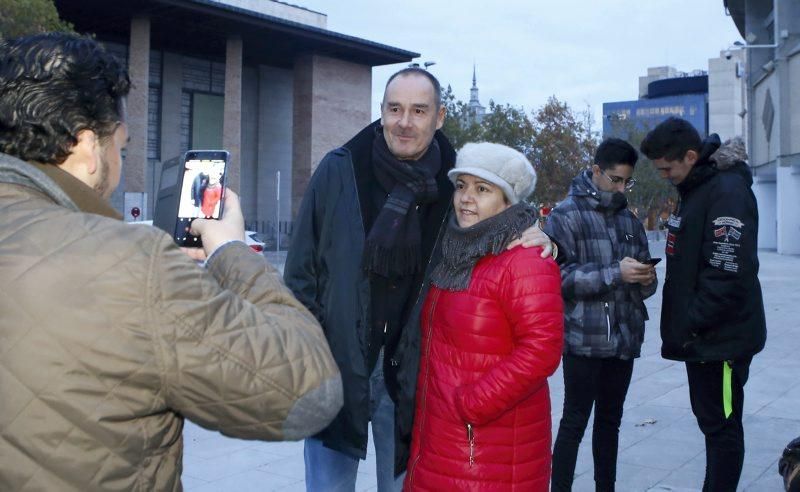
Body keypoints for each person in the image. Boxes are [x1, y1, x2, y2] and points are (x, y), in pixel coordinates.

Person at [0, 33, 342, 491]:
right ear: (86, 149)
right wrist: (229, 250)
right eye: (120, 146)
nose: (120, 163)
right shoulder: (129, 263)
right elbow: (309, 390)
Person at [284, 68, 554, 491]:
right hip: (336, 371)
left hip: (409, 379)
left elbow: (501, 225)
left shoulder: (456, 182)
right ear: (382, 111)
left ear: (440, 116)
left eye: (418, 110)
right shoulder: (340, 170)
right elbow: (300, 272)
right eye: (395, 109)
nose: (405, 121)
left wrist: (544, 237)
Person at [403, 142, 563, 491]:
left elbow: (542, 349)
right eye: (461, 186)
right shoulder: (454, 250)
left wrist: (472, 404)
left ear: (508, 200)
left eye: (482, 189)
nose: (466, 198)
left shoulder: (525, 259)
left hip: (486, 446)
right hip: (443, 436)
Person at [640, 117, 767, 491]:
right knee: (713, 421)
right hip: (704, 339)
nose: (664, 176)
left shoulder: (725, 191)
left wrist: (693, 322)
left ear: (691, 156)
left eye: (667, 168)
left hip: (720, 340)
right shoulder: (697, 186)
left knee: (722, 427)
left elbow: (727, 270)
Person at [545, 138, 657, 491]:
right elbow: (557, 278)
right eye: (614, 179)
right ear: (595, 171)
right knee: (574, 422)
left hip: (624, 338)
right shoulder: (565, 215)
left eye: (627, 181)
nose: (621, 188)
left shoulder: (629, 219)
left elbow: (643, 279)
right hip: (583, 339)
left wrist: (645, 279)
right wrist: (614, 273)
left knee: (610, 422)